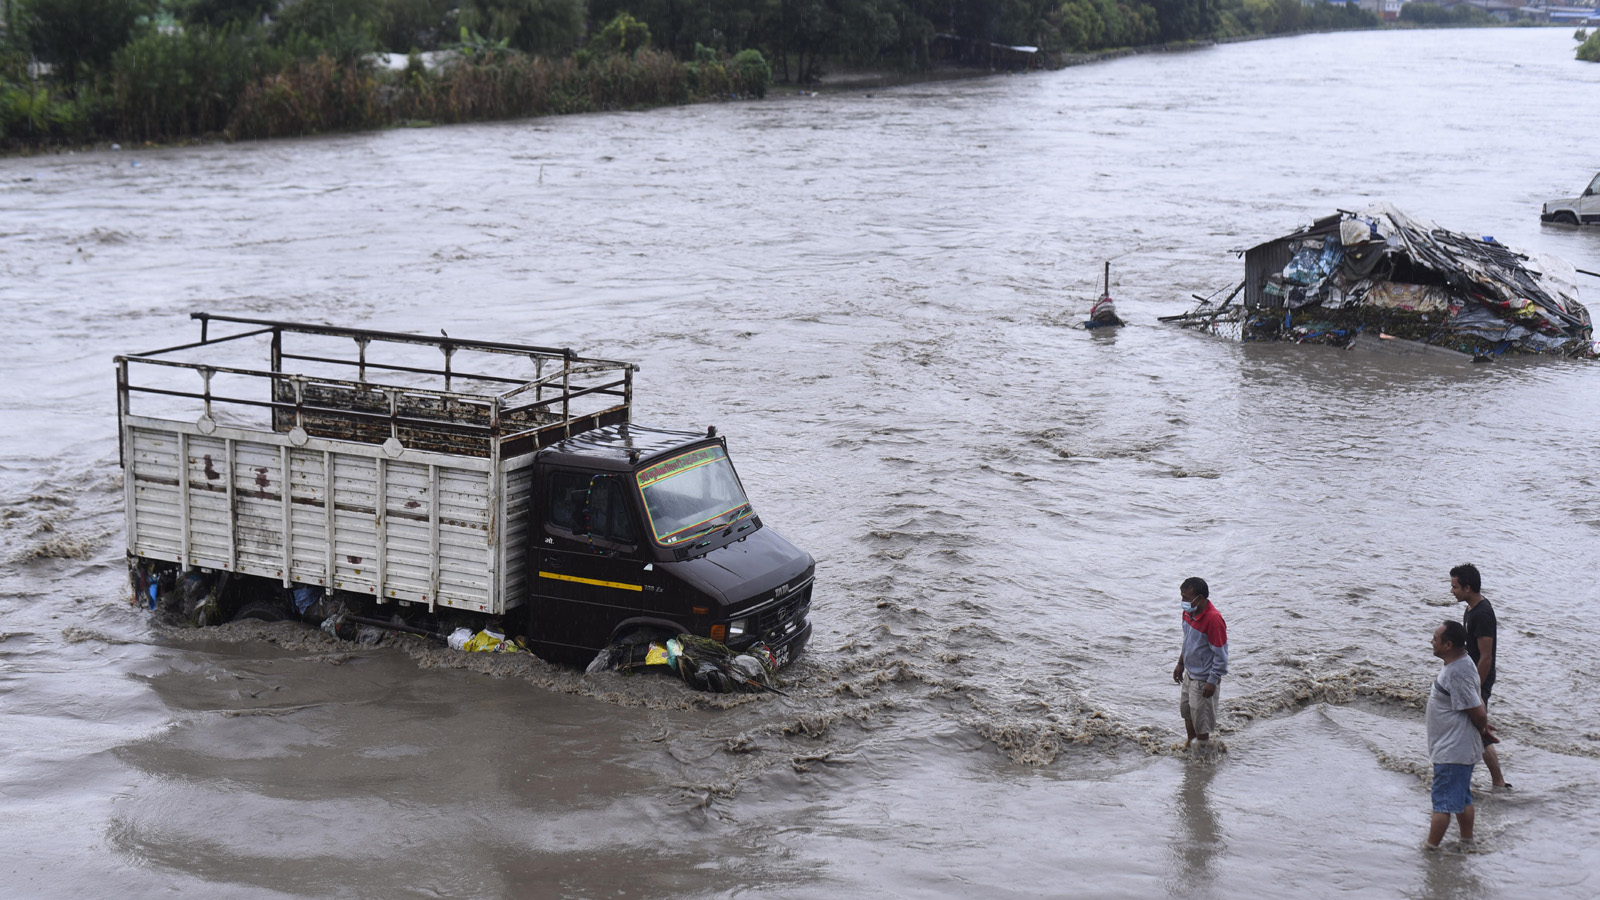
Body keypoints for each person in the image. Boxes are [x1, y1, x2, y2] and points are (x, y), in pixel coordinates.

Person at [1425, 620, 1496, 850]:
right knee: (1462, 797)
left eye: (1435, 639)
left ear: (1448, 644)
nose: (1431, 642)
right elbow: (1475, 704)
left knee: (1442, 804)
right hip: (1456, 749)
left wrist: (1483, 726)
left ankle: (1430, 850)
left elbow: (1478, 711)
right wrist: (1482, 724)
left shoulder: (1458, 672)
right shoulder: (1458, 665)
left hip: (1452, 751)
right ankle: (1467, 842)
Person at [1451, 563, 1509, 790]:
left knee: (1475, 728)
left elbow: (1486, 657)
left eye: (1454, 586)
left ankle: (1497, 781)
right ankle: (1497, 782)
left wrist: (1476, 691)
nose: (1451, 590)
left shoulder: (1482, 614)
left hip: (1479, 679)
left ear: (1467, 588)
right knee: (1474, 727)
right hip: (1470, 678)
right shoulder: (1470, 609)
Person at [1172, 577, 1227, 751]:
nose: (1183, 602)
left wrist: (1212, 681)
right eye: (1182, 597)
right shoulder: (1188, 613)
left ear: (1200, 598)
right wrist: (1180, 663)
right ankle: (1191, 746)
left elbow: (1221, 656)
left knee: (1201, 721)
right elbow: (1188, 641)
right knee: (1187, 713)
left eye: (1187, 598)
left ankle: (1203, 754)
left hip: (1204, 679)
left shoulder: (1214, 620)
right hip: (1190, 674)